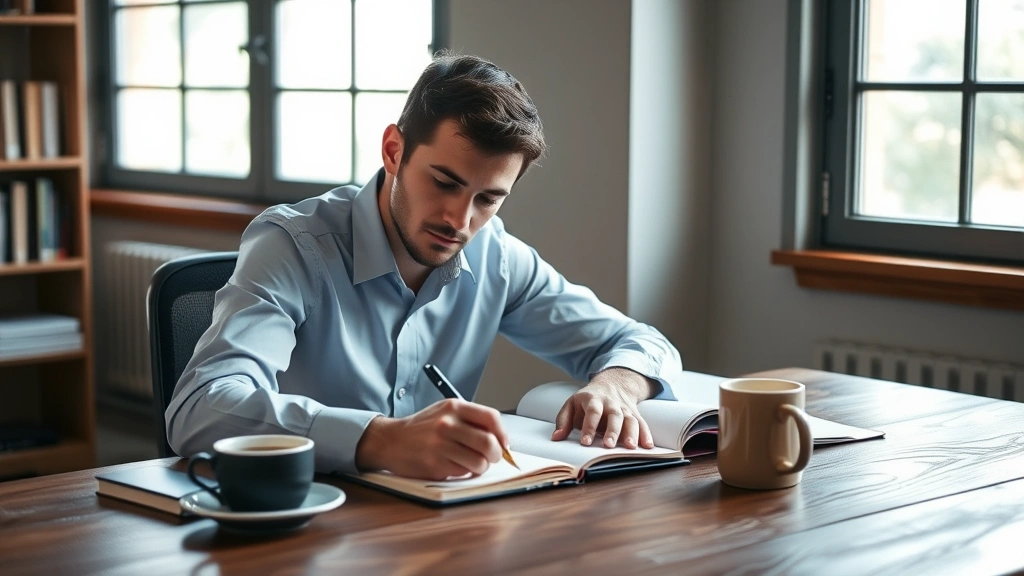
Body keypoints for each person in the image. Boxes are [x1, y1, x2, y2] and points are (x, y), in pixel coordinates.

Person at [166, 51, 685, 481]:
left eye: (488, 198)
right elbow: (200, 408)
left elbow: (643, 343)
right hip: (303, 526)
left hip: (441, 526)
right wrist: (379, 439)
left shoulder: (496, 256)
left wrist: (615, 385)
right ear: (394, 151)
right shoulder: (293, 246)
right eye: (445, 182)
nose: (459, 221)